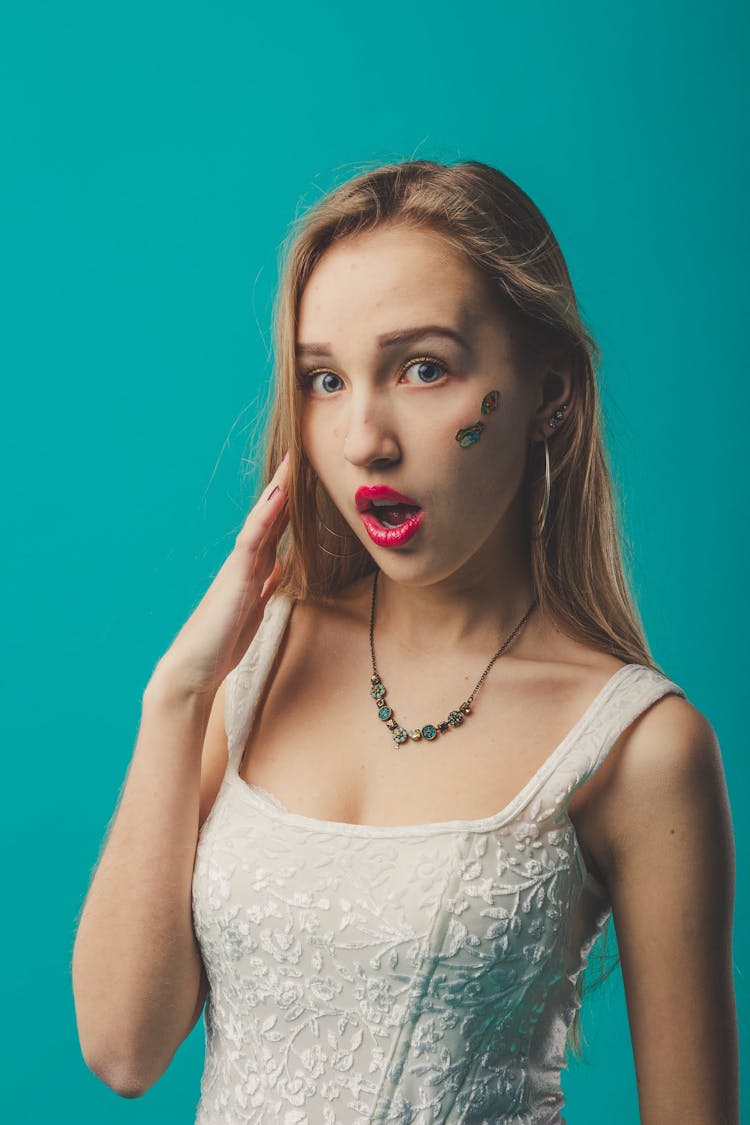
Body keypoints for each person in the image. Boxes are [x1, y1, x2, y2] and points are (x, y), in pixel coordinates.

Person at [72, 159, 738, 1123]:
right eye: (325, 380)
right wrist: (176, 695)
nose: (363, 439)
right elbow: (124, 1047)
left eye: (423, 367)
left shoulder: (645, 744)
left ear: (548, 388)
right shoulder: (254, 665)